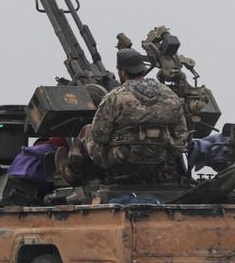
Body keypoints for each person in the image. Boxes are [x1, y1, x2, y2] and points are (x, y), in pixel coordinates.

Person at [57, 48, 188, 183]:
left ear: (122, 72)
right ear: (142, 69)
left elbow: (99, 134)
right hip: (157, 160)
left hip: (120, 160)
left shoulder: (115, 97)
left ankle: (72, 172)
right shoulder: (171, 96)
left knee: (86, 131)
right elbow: (181, 136)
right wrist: (165, 160)